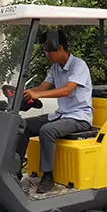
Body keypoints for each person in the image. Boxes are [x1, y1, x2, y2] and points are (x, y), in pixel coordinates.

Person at [19, 30, 93, 194]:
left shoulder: (79, 65)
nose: (47, 55)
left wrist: (38, 94)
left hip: (79, 117)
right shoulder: (55, 68)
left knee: (48, 130)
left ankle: (48, 176)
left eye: (48, 51)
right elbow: (43, 87)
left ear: (59, 48)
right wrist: (25, 94)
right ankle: (14, 170)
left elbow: (67, 90)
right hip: (61, 115)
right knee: (22, 125)